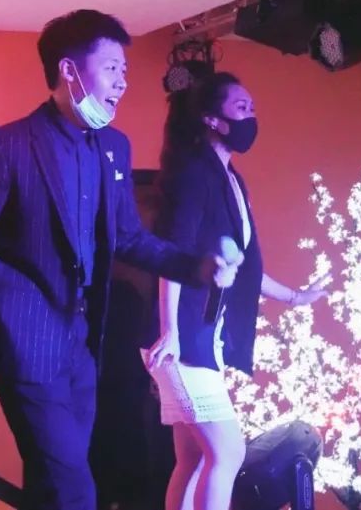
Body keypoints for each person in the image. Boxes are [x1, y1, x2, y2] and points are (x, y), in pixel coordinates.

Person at [0, 9, 238, 510]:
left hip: (83, 344)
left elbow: (130, 239)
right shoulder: (7, 145)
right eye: (111, 68)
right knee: (72, 487)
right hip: (24, 339)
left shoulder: (114, 148)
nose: (123, 82)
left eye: (125, 70)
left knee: (54, 482)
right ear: (69, 70)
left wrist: (196, 267)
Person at [141, 71, 329, 510]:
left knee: (192, 459)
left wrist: (296, 297)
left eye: (252, 108)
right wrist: (171, 331)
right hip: (182, 340)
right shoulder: (194, 173)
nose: (250, 117)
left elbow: (244, 268)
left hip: (202, 337)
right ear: (212, 119)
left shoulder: (231, 181)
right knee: (228, 452)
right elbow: (174, 255)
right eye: (241, 108)